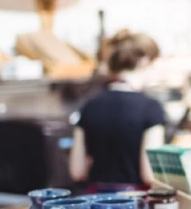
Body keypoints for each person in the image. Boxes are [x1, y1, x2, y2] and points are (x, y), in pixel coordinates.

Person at [69, 30, 167, 194]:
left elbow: (77, 171)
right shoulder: (151, 108)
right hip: (134, 204)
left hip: (95, 203)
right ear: (143, 61)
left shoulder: (89, 106)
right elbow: (149, 175)